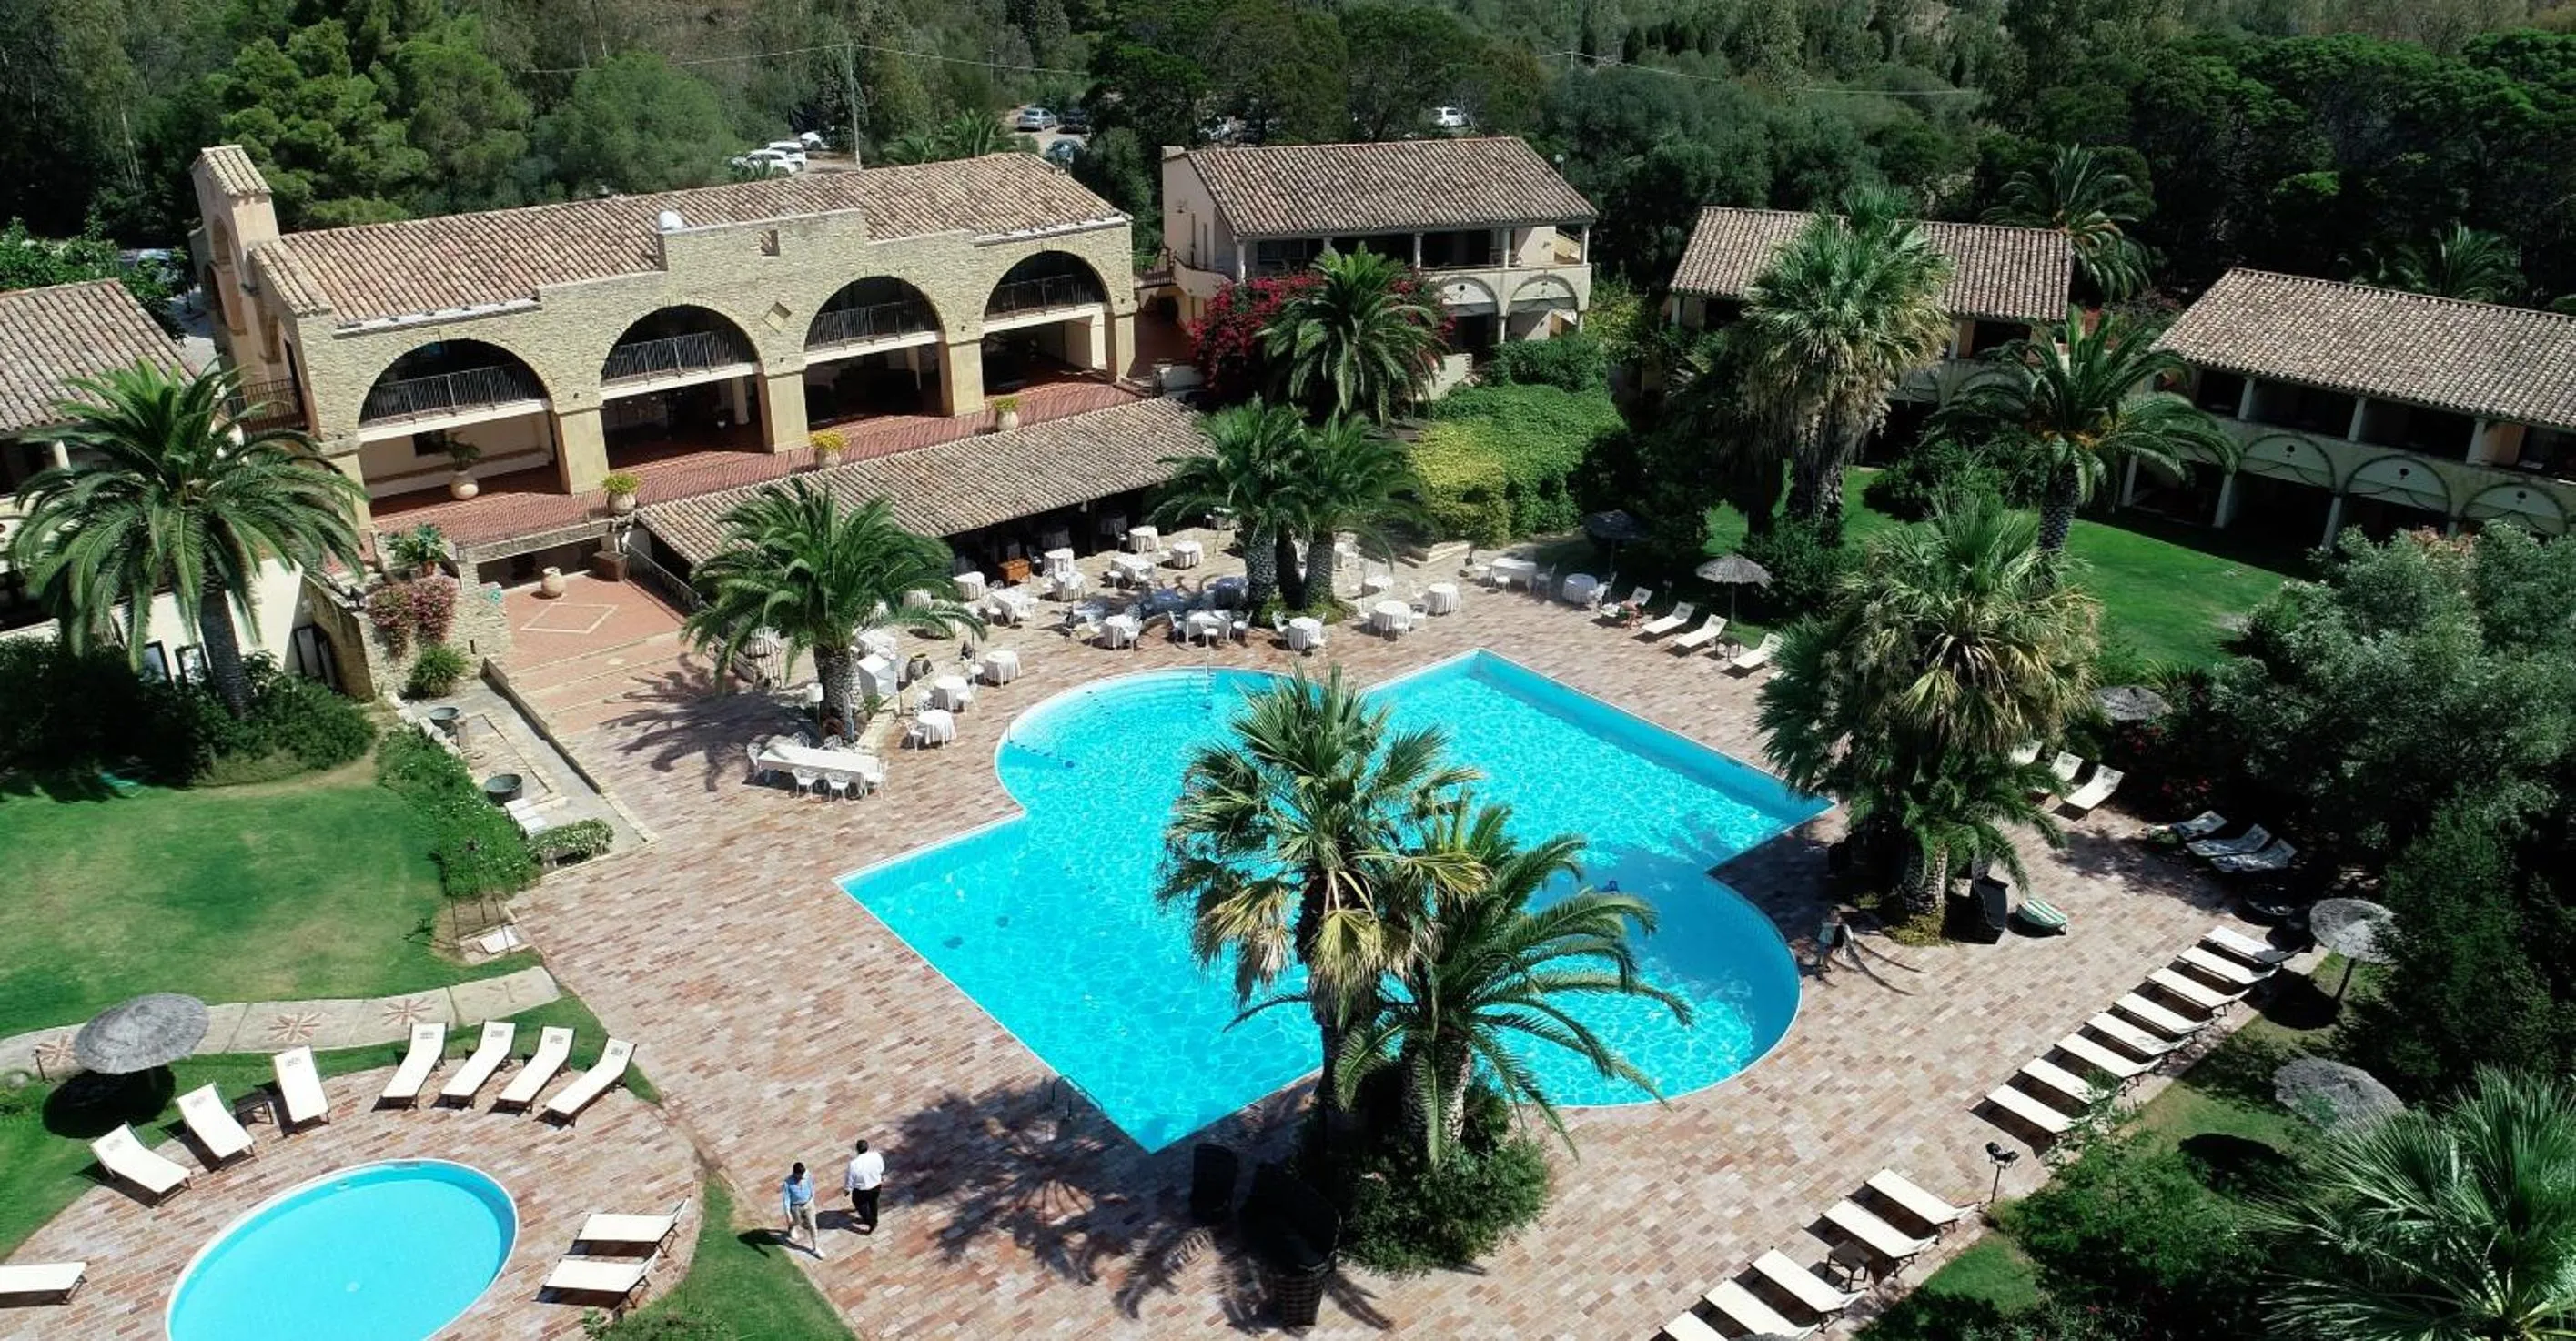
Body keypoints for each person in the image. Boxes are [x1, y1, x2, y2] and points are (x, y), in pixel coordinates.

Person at [782, 1161, 823, 1258]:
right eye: (800, 1176)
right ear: (795, 1173)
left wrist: (812, 1197)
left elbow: (811, 1185)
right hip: (796, 1207)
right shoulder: (787, 1183)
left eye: (802, 1175)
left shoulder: (807, 1175)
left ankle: (816, 1248)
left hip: (809, 1204)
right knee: (797, 1222)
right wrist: (788, 1214)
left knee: (813, 1225)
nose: (802, 1178)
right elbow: (786, 1199)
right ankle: (791, 1227)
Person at [844, 1138, 885, 1234]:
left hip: (862, 1190)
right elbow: (881, 1168)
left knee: (860, 1205)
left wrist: (847, 1189)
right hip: (876, 1186)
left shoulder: (853, 1164)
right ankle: (874, 1218)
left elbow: (850, 1179)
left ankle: (871, 1222)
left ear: (857, 1150)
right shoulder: (876, 1155)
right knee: (873, 1202)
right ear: (867, 1147)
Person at [1814, 909, 1847, 977]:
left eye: (1836, 913)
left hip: (1830, 943)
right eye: (1833, 913)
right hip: (1823, 940)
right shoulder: (1827, 920)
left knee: (1826, 957)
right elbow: (1824, 924)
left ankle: (1821, 972)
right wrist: (1835, 925)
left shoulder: (1839, 921)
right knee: (1820, 953)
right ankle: (1818, 965)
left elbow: (1842, 931)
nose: (1834, 915)